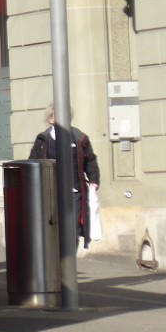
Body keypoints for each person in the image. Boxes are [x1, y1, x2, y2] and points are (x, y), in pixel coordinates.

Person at [29, 104, 100, 249]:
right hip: (49, 193)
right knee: (52, 229)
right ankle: (56, 259)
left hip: (74, 193)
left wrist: (93, 180)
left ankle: (69, 259)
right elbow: (33, 162)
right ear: (50, 119)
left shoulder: (80, 138)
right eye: (59, 115)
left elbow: (90, 160)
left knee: (72, 230)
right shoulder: (43, 140)